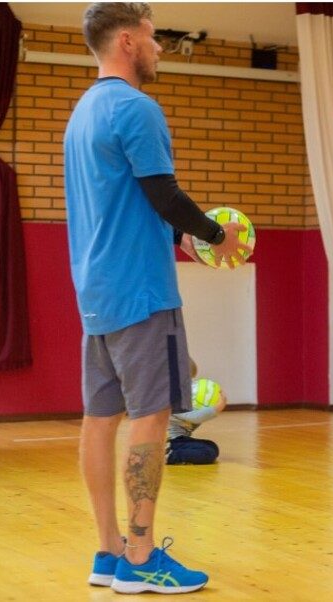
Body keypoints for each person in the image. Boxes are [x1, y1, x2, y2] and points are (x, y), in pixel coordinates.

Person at [64, 3, 251, 594]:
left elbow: (130, 201)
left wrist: (179, 234)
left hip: (96, 293)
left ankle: (109, 552)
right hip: (143, 291)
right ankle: (142, 557)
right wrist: (215, 235)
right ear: (127, 40)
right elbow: (164, 194)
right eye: (152, 37)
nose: (160, 47)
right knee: (151, 418)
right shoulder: (136, 107)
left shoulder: (82, 113)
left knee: (99, 421)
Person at [166, 358, 226, 465]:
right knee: (207, 452)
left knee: (211, 446)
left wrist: (205, 402)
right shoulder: (173, 400)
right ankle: (169, 456)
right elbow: (195, 418)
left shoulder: (180, 398)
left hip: (180, 439)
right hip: (170, 442)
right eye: (187, 381)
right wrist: (216, 408)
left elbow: (192, 420)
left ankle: (171, 453)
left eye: (192, 380)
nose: (191, 385)